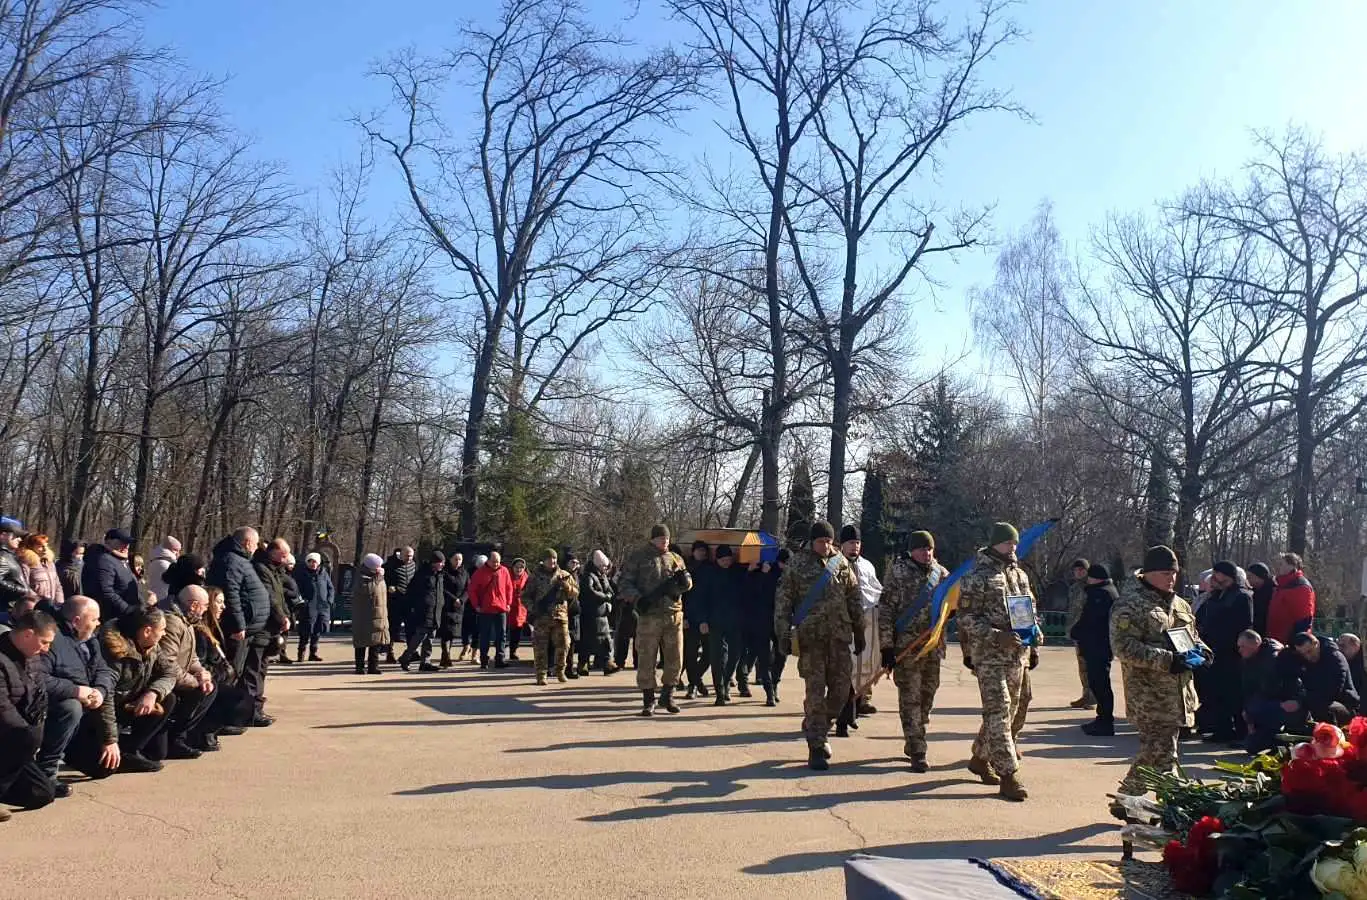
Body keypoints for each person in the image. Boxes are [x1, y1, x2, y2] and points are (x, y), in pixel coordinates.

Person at [1112, 545, 1211, 799]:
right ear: (1149, 573)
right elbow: (1124, 647)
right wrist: (1167, 660)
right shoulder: (1130, 604)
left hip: (1178, 693)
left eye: (1174, 573)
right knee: (1162, 751)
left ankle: (1128, 799)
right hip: (1148, 694)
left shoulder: (1179, 604)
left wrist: (1202, 651)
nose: (1172, 578)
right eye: (1166, 573)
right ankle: (1167, 802)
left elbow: (1191, 637)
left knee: (1158, 752)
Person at [957, 522, 1036, 801]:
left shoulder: (1019, 575)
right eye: (1006, 543)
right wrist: (995, 636)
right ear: (993, 545)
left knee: (1015, 709)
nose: (1012, 547)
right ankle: (1008, 775)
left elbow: (1028, 608)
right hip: (989, 656)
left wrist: (1033, 638)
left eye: (1014, 543)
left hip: (1018, 655)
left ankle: (980, 757)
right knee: (999, 710)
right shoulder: (977, 577)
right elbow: (965, 617)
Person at [774, 521, 861, 770]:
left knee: (841, 692)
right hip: (811, 639)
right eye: (821, 541)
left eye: (829, 542)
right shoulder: (797, 564)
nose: (826, 546)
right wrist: (782, 633)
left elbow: (853, 597)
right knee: (815, 692)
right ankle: (816, 746)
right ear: (812, 542)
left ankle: (819, 725)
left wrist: (859, 630)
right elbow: (783, 601)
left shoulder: (842, 563)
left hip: (839, 638)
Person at [66, 607, 178, 776]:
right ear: (147, 631)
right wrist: (109, 740)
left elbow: (169, 672)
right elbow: (105, 698)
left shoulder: (152, 646)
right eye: (162, 630)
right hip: (96, 715)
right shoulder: (113, 653)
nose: (164, 634)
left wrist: (152, 693)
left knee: (168, 699)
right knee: (103, 769)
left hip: (126, 706)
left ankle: (130, 750)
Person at [878, 531, 949, 772]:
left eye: (929, 549)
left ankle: (915, 733)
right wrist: (886, 646)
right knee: (911, 698)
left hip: (933, 646)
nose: (926, 553)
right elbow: (885, 609)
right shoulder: (898, 572)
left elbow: (955, 598)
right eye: (921, 549)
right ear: (912, 551)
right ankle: (918, 748)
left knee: (927, 696)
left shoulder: (941, 573)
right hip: (906, 648)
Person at [35, 596, 115, 798]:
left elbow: (104, 670)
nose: (98, 623)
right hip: (54, 709)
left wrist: (100, 690)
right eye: (94, 619)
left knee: (103, 768)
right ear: (77, 620)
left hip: (86, 712)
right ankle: (47, 771)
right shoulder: (52, 640)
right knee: (71, 707)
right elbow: (38, 677)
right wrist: (76, 691)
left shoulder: (90, 640)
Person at [619, 524, 692, 717]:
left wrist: (684, 583)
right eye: (661, 538)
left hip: (673, 614)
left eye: (666, 538)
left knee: (675, 658)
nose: (664, 541)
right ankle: (648, 699)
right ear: (652, 539)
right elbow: (624, 583)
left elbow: (687, 582)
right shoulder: (638, 558)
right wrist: (638, 598)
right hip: (649, 616)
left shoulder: (676, 558)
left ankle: (668, 695)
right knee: (646, 658)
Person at [206, 526, 273, 727]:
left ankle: (243, 713)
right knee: (232, 673)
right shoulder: (231, 561)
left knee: (245, 673)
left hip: (251, 628)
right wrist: (238, 624)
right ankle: (226, 718)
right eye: (255, 543)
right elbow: (231, 594)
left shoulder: (241, 560)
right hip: (239, 629)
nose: (256, 547)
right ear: (246, 543)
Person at [0, 610, 58, 819]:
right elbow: (3, 710)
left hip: (21, 741)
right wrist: (30, 736)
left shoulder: (32, 657)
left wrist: (36, 729)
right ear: (28, 634)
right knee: (27, 735)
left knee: (43, 794)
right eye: (44, 642)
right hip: (9, 736)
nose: (46, 649)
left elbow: (40, 696)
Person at [1195, 561, 1254, 742]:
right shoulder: (1215, 595)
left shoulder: (1242, 596)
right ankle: (1222, 729)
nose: (1213, 578)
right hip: (1213, 651)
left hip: (1231, 652)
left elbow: (1244, 624)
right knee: (1216, 693)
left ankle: (1241, 732)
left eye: (1217, 574)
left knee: (1234, 695)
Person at [157, 585, 216, 759]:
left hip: (180, 675)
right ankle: (176, 737)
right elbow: (167, 664)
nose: (206, 610)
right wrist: (195, 681)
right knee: (199, 691)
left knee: (210, 687)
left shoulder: (186, 619)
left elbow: (191, 656)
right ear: (194, 605)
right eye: (205, 606)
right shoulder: (173, 622)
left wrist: (201, 672)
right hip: (164, 680)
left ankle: (180, 737)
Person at [1071, 564, 1119, 737]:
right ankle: (1103, 718)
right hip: (1099, 645)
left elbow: (1091, 620)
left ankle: (1105, 720)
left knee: (1100, 683)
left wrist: (1076, 631)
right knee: (1099, 682)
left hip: (1098, 645)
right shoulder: (1107, 591)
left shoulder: (1101, 594)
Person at [840, 525, 882, 720]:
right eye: (850, 543)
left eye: (857, 543)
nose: (854, 547)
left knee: (868, 660)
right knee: (847, 663)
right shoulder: (834, 565)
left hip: (867, 618)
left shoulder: (867, 565)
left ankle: (863, 697)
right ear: (842, 545)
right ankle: (844, 700)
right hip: (844, 620)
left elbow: (875, 589)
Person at [1278, 632, 1359, 730]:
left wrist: (1300, 701)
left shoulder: (1335, 658)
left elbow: (1330, 692)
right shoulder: (1302, 658)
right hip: (1314, 699)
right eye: (1303, 654)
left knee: (1323, 707)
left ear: (1317, 643)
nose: (1308, 656)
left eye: (1310, 651)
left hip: (1344, 705)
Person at [524, 549, 579, 685]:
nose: (552, 561)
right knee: (540, 647)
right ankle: (541, 674)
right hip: (541, 618)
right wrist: (533, 609)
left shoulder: (564, 575)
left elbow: (575, 593)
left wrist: (565, 586)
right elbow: (525, 596)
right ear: (544, 561)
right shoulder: (535, 576)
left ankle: (560, 671)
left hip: (560, 617)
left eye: (554, 558)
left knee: (564, 645)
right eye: (549, 559)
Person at [702, 544, 745, 705]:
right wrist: (703, 620)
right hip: (715, 620)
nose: (727, 562)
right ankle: (719, 691)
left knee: (735, 654)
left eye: (729, 559)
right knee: (717, 657)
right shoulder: (709, 573)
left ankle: (726, 682)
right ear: (717, 559)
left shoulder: (738, 572)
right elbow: (702, 598)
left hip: (736, 620)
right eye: (723, 560)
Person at [1238, 630, 1284, 754]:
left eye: (1243, 646)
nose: (1240, 650)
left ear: (1255, 644)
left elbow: (1273, 688)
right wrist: (1247, 713)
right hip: (1262, 701)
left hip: (1280, 701)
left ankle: (1277, 741)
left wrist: (1252, 711)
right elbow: (1247, 688)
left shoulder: (1272, 658)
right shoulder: (1248, 659)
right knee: (1251, 746)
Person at [81, 527, 140, 623]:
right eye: (122, 542)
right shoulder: (103, 560)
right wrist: (128, 610)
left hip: (124, 616)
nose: (126, 546)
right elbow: (106, 592)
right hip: (111, 619)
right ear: (108, 541)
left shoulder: (120, 560)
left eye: (128, 543)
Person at [400, 550, 445, 672]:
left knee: (430, 637)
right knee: (420, 636)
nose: (442, 565)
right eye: (440, 563)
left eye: (443, 563)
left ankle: (425, 661)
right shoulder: (423, 574)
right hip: (424, 610)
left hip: (436, 610)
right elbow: (412, 591)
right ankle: (406, 657)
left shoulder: (440, 575)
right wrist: (417, 606)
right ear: (433, 563)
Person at [468, 552, 513, 669]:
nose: (496, 564)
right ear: (488, 561)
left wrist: (508, 603)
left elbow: (509, 588)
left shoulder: (504, 571)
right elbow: (472, 590)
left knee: (501, 635)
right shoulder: (480, 572)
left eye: (498, 561)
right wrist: (476, 605)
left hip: (501, 608)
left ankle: (500, 658)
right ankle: (484, 659)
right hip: (485, 609)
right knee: (485, 636)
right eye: (494, 561)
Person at [682, 541, 713, 699]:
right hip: (690, 617)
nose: (701, 553)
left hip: (706, 618)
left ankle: (695, 680)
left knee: (709, 653)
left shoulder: (710, 569)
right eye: (699, 550)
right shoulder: (686, 569)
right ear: (693, 552)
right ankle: (693, 685)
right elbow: (682, 596)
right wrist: (684, 617)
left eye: (704, 551)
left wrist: (705, 620)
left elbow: (711, 597)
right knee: (690, 653)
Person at [578, 551, 616, 675]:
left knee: (605, 641)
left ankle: (607, 664)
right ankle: (583, 664)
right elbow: (589, 591)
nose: (605, 568)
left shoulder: (603, 576)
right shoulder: (588, 576)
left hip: (602, 614)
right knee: (588, 641)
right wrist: (605, 597)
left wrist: (609, 596)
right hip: (591, 613)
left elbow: (610, 590)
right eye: (603, 566)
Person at [1065, 558, 1095, 710]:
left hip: (1088, 632)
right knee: (1082, 666)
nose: (1078, 573)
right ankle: (1086, 695)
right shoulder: (1074, 588)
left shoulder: (1091, 587)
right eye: (1076, 570)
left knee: (1090, 666)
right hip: (1077, 632)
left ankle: (1092, 697)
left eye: (1081, 570)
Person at [352, 554, 390, 675]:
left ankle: (373, 666)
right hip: (364, 615)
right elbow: (368, 590)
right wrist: (378, 578)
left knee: (376, 642)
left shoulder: (378, 577)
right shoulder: (362, 577)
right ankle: (359, 666)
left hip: (379, 613)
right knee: (361, 642)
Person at [1267, 553, 1315, 645]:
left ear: (1292, 565)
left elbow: (1304, 619)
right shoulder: (1280, 585)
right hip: (1276, 639)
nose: (1278, 567)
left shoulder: (1300, 586)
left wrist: (1296, 643)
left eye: (1281, 564)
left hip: (1289, 642)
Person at [294, 553, 334, 662]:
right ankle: (301, 653)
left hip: (322, 607)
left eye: (315, 562)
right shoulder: (302, 574)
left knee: (317, 630)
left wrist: (329, 601)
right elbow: (296, 589)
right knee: (305, 631)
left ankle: (313, 653)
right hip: (308, 607)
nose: (313, 564)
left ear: (319, 563)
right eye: (310, 561)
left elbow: (330, 588)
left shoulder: (324, 573)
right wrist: (302, 601)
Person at [0, 517, 39, 618]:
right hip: (4, 611)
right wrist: (23, 590)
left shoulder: (9, 555)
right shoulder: (2, 557)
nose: (20, 539)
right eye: (16, 535)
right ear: (3, 536)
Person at [383, 547, 416, 663]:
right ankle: (389, 653)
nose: (409, 558)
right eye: (407, 556)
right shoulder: (390, 565)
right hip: (394, 601)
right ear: (400, 555)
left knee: (411, 628)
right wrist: (389, 587)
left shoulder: (413, 565)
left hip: (409, 601)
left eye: (411, 556)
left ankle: (412, 652)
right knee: (393, 628)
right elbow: (383, 579)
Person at [19, 534, 64, 611]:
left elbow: (57, 585)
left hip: (52, 606)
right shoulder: (26, 563)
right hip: (34, 607)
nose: (45, 549)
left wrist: (60, 603)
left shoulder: (50, 563)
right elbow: (24, 586)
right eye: (40, 546)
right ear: (31, 547)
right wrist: (38, 602)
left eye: (46, 546)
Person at [438, 552, 468, 668]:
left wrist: (461, 600)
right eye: (455, 559)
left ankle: (446, 655)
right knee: (445, 632)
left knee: (452, 633)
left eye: (460, 559)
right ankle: (445, 655)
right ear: (450, 560)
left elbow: (468, 588)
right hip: (447, 605)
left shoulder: (464, 573)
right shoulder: (444, 572)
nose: (458, 562)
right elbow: (442, 588)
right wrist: (453, 599)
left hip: (459, 607)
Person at [144, 536, 181, 606]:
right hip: (162, 600)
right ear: (168, 548)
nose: (178, 554)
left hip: (154, 597)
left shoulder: (155, 560)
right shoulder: (165, 564)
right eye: (176, 550)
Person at [563, 553, 582, 679]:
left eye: (576, 563)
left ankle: (569, 667)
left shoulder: (577, 576)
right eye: (572, 562)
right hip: (564, 612)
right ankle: (559, 667)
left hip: (575, 613)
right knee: (563, 642)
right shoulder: (563, 575)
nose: (574, 565)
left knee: (573, 641)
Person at [507, 557, 529, 661]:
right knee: (506, 630)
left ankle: (513, 651)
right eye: (517, 567)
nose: (519, 569)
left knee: (517, 631)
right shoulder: (507, 576)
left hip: (521, 607)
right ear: (513, 567)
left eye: (522, 567)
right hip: (508, 606)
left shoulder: (527, 577)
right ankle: (502, 651)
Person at [1246, 562, 1273, 638]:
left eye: (1250, 576)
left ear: (1260, 577)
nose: (1248, 579)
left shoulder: (1272, 592)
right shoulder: (1254, 592)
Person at [1340, 634, 1366, 698]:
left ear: (1355, 645)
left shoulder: (1364, 662)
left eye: (1342, 646)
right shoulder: (1343, 660)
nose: (1339, 649)